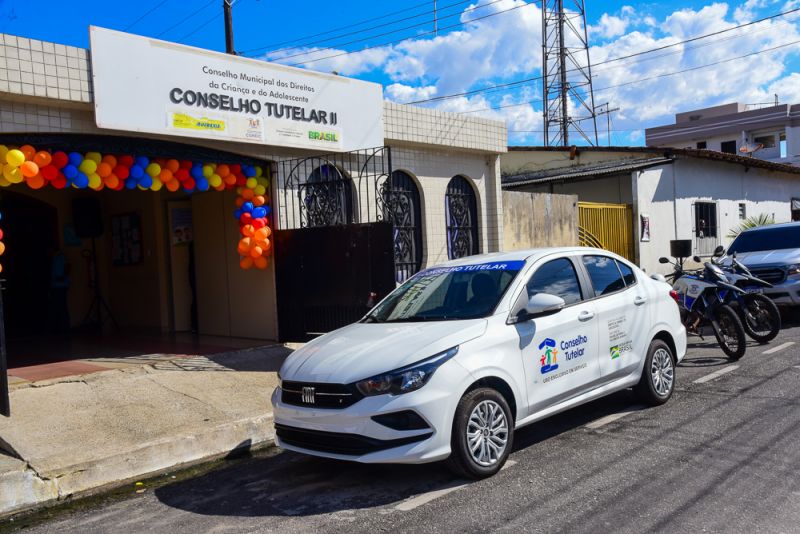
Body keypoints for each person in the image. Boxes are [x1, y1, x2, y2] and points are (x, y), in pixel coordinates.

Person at [48, 249, 71, 335]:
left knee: (62, 307)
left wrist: (63, 277)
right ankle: (60, 328)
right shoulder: (54, 258)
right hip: (56, 285)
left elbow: (68, 266)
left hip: (61, 285)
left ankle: (65, 328)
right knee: (59, 307)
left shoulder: (61, 256)